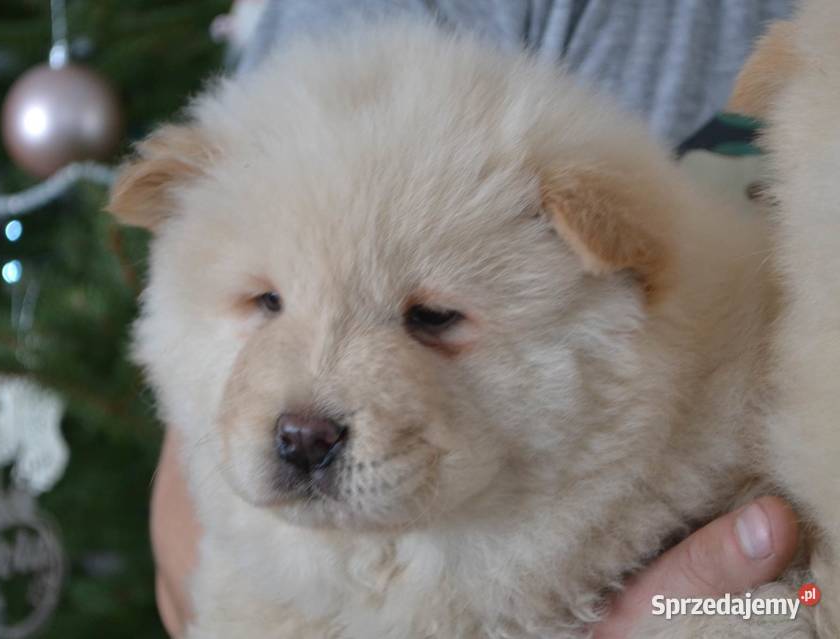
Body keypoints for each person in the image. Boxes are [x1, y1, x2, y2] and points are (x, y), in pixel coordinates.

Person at [151, 1, 800, 635]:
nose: (308, 418)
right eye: (266, 304)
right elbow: (187, 558)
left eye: (433, 318)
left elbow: (790, 600)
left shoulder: (749, 409)